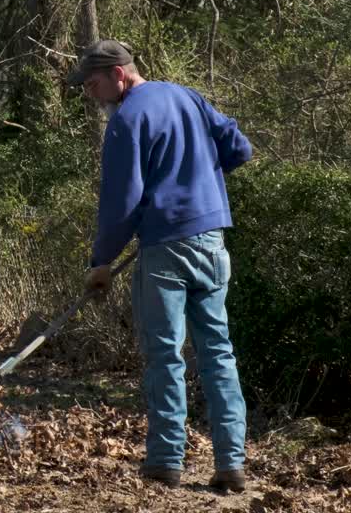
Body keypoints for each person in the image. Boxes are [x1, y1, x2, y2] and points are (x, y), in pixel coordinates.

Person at [68, 40, 251, 493]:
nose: (90, 94)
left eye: (92, 85)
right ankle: (232, 462)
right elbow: (240, 148)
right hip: (211, 241)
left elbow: (120, 202)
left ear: (118, 74)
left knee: (165, 354)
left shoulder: (128, 119)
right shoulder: (188, 96)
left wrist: (102, 261)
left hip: (166, 249)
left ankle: (167, 459)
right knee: (218, 352)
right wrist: (198, 179)